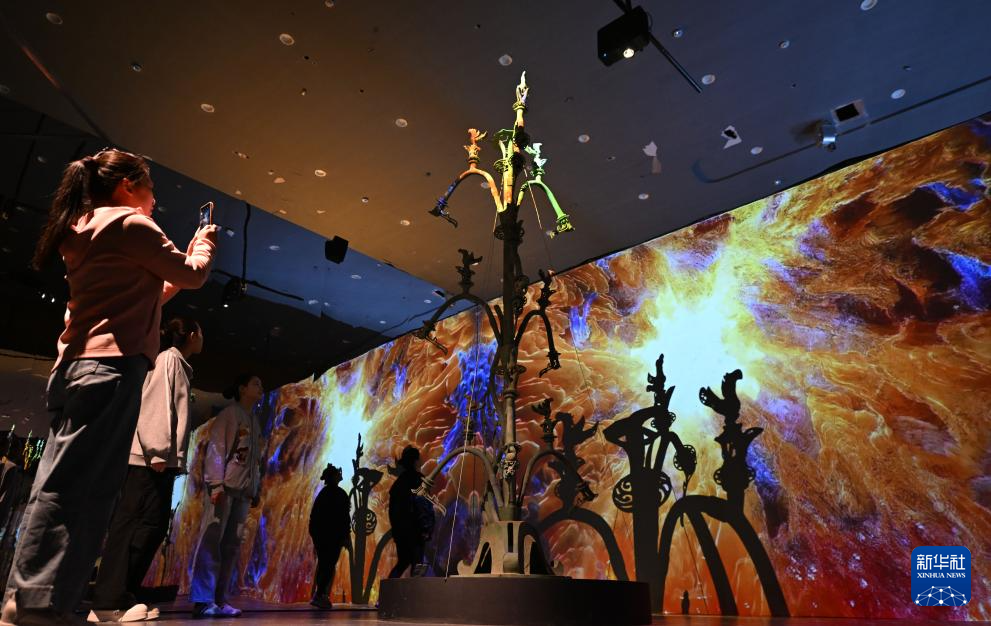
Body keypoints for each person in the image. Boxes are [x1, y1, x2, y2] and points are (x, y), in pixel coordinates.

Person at [1, 149, 217, 626]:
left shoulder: (85, 225)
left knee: (59, 485)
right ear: (127, 186)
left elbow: (147, 292)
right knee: (88, 492)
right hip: (111, 370)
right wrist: (202, 245)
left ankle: (31, 598)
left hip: (77, 368)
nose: (155, 198)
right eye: (150, 187)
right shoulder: (132, 225)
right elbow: (193, 275)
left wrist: (178, 264)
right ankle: (38, 605)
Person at [88, 317, 205, 623]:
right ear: (192, 335)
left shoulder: (177, 363)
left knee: (150, 527)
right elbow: (156, 403)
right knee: (135, 525)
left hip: (158, 460)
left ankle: (123, 596)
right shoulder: (169, 359)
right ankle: (109, 602)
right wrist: (157, 450)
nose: (203, 338)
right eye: (201, 332)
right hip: (149, 459)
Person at [189, 374, 265, 618]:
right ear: (242, 389)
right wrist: (216, 484)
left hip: (243, 492)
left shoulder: (253, 421)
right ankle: (203, 600)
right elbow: (217, 448)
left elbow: (255, 460)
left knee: (231, 546)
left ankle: (220, 599)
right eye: (255, 383)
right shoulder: (229, 415)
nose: (260, 387)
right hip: (224, 489)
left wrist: (255, 488)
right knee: (212, 541)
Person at [308, 464, 350, 610]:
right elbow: (344, 518)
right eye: (337, 473)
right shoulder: (340, 494)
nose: (340, 474)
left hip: (323, 536)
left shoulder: (324, 494)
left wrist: (314, 533)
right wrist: (345, 536)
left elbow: (314, 516)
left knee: (325, 564)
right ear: (333, 477)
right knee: (328, 564)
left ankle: (320, 594)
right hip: (333, 537)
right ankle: (320, 594)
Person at [387, 446, 426, 579]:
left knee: (403, 562)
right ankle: (414, 590)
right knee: (416, 564)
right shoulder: (419, 480)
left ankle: (388, 589)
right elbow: (424, 506)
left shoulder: (398, 484)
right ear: (415, 461)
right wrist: (425, 528)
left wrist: (396, 531)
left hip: (403, 532)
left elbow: (393, 511)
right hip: (415, 531)